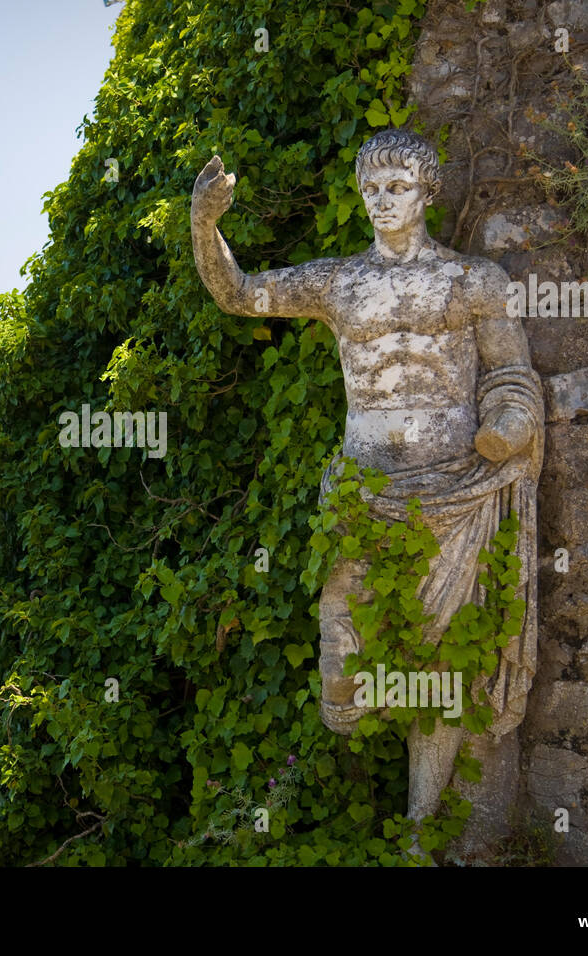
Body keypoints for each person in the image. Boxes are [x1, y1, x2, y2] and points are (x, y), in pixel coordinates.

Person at [190, 128, 544, 825]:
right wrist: (205, 225)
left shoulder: (475, 281)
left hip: (456, 490)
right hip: (363, 495)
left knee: (444, 670)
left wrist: (509, 429)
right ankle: (366, 797)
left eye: (398, 186)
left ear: (427, 192)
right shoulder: (337, 283)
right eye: (372, 189)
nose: (383, 200)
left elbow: (511, 375)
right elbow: (239, 294)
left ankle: (416, 828)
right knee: (342, 688)